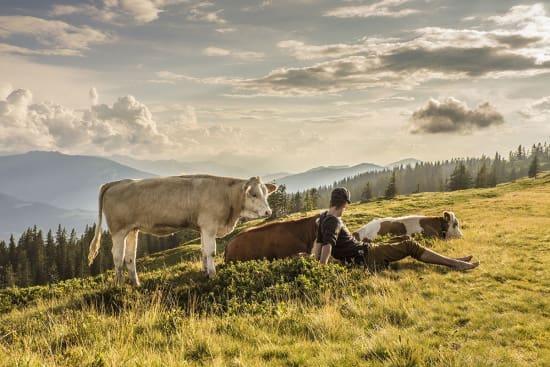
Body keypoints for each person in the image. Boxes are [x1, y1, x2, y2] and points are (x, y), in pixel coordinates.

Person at [316, 187, 479, 271]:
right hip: (366, 255)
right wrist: (321, 269)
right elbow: (327, 246)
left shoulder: (323, 217)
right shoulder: (334, 221)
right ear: (345, 204)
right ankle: (455, 264)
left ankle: (454, 260)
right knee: (410, 246)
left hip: (365, 252)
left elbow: (319, 242)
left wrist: (315, 262)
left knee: (405, 240)